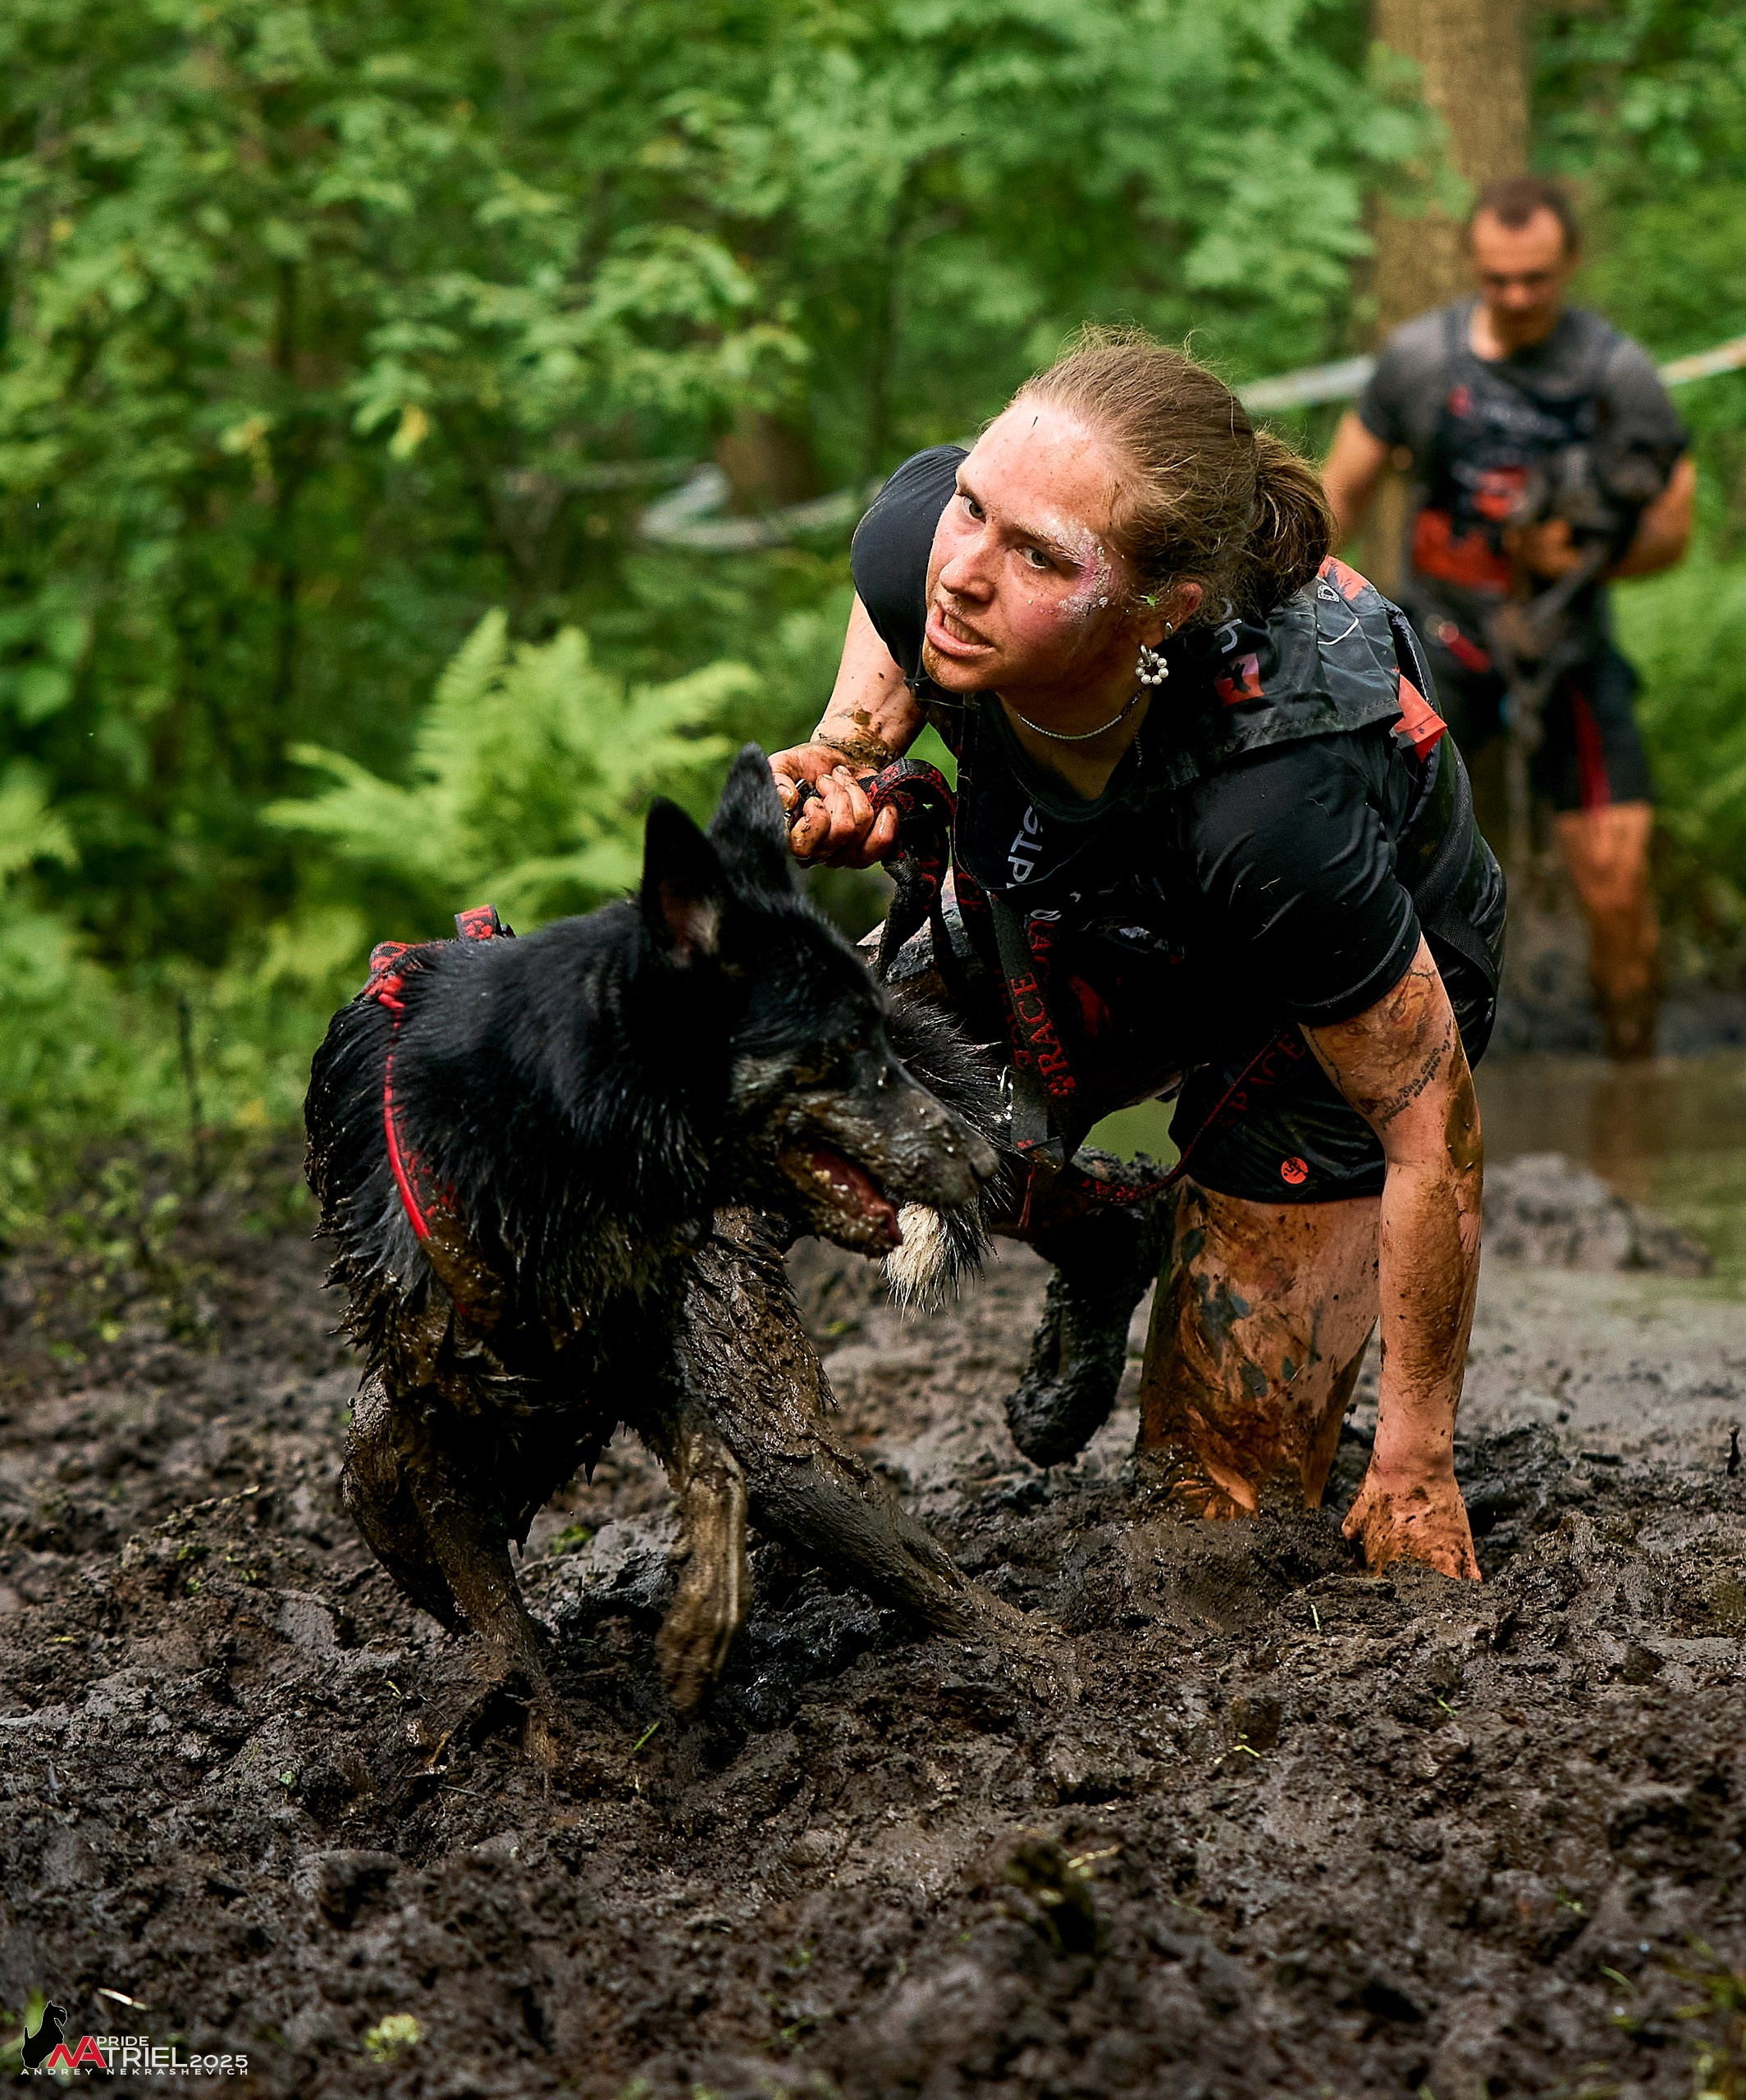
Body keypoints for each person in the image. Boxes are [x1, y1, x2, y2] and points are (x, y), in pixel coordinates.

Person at [769, 328, 1506, 1581]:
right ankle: (1103, 1226)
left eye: (1038, 556)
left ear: (1158, 610)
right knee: (793, 1091)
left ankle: (1211, 1249)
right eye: (973, 508)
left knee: (1209, 1521)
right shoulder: (934, 555)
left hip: (1310, 1007)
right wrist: (849, 750)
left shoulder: (1279, 798)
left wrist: (1416, 1462)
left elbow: (1429, 1126)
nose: (962, 575)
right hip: (1082, 910)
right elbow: (900, 600)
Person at [1322, 176, 1694, 1061]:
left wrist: (1583, 559)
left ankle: (1629, 1082)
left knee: (1615, 878)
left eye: (1535, 278)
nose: (1517, 297)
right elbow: (1335, 494)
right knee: (1379, 865)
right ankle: (1391, 1080)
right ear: (1473, 267)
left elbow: (1673, 530)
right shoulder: (1417, 359)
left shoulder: (1618, 374)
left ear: (1568, 263)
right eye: (1498, 279)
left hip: (1566, 644)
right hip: (1438, 641)